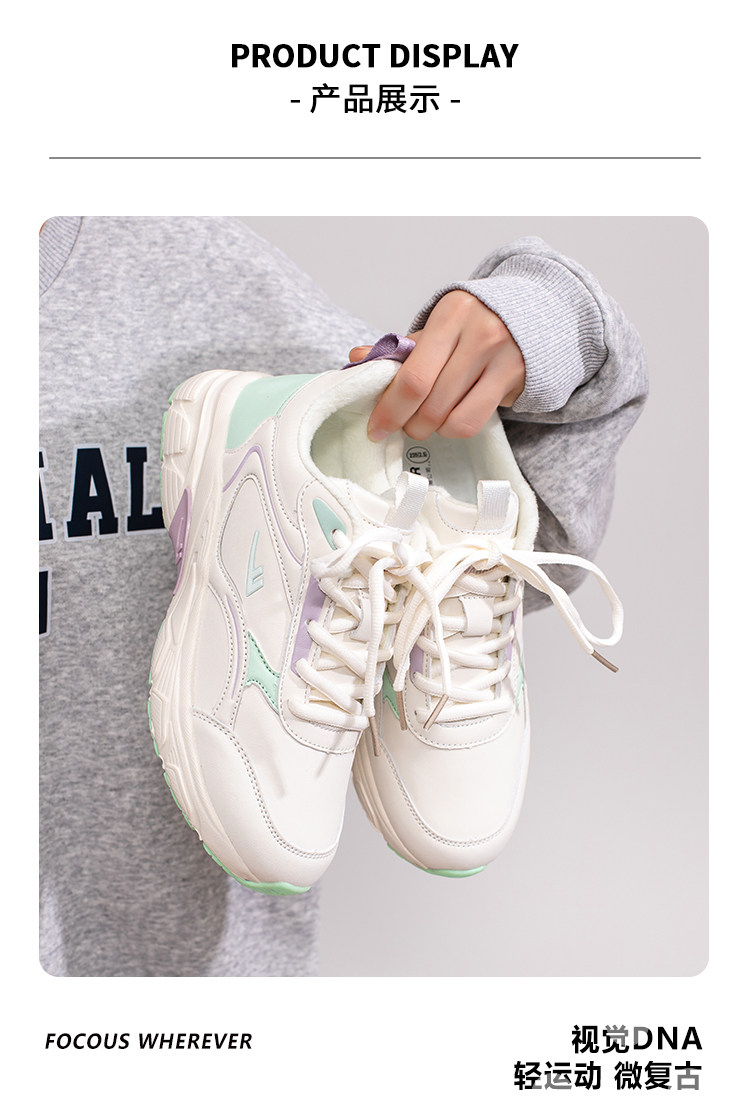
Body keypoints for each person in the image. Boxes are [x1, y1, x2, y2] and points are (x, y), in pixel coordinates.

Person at [39, 216, 647, 977]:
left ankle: (325, 520)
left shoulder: (204, 282)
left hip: (189, 1004)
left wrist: (552, 319)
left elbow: (546, 519)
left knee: (421, 445)